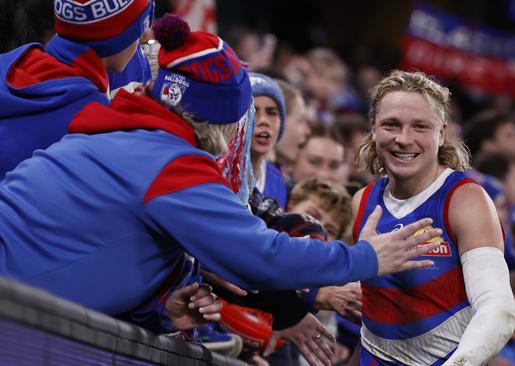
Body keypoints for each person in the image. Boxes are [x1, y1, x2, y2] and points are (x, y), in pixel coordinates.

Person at [0, 13, 441, 335]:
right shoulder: (169, 163)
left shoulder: (122, 133)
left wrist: (155, 307)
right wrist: (365, 257)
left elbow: (86, 247)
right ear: (218, 122)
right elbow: (257, 256)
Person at [352, 70, 515, 365]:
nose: (404, 139)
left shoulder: (466, 200)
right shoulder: (361, 202)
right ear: (374, 129)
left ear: (441, 134)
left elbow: (498, 309)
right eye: (391, 125)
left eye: (420, 127)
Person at [0, 0, 155, 177]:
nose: (143, 37)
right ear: (120, 40)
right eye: (143, 26)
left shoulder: (14, 62)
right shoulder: (90, 119)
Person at [250, 72, 289, 207]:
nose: (263, 121)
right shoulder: (219, 172)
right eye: (253, 111)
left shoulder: (277, 180)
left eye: (272, 113)